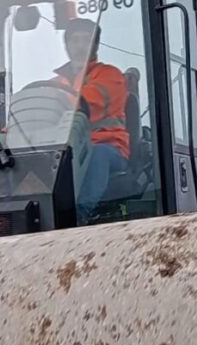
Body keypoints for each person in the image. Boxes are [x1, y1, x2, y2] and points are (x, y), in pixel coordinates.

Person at [51, 18, 130, 223]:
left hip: (108, 147)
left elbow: (88, 102)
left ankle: (78, 216)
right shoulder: (55, 83)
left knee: (97, 155)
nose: (79, 46)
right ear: (66, 45)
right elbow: (37, 109)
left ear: (95, 46)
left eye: (85, 40)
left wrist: (52, 104)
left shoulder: (110, 76)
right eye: (74, 40)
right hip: (68, 151)